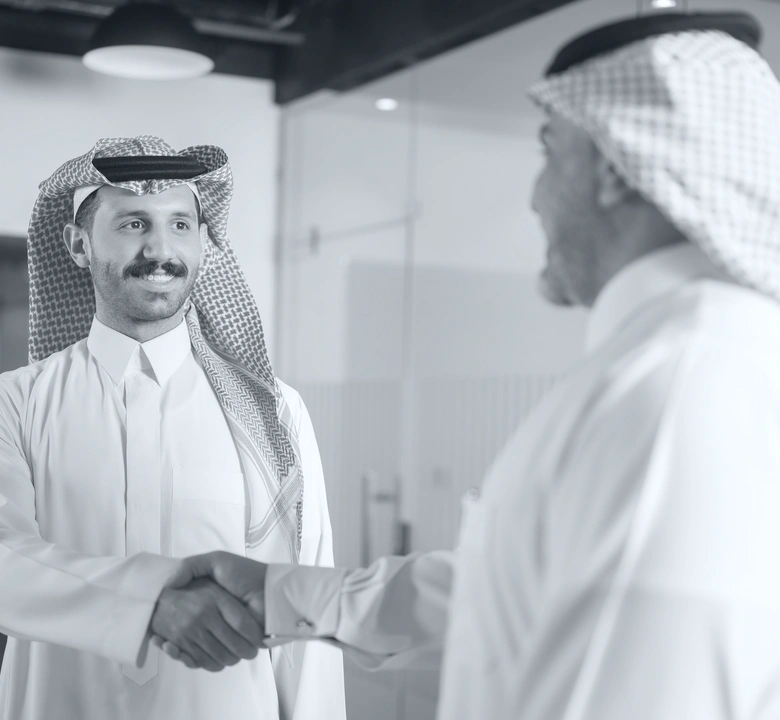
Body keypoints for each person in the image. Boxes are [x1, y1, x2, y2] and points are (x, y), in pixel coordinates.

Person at [157, 10, 780, 720]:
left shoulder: (682, 390)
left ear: (614, 170)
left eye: (551, 152)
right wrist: (282, 593)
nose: (535, 197)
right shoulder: (668, 368)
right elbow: (503, 589)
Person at [0, 136, 345, 720]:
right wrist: (148, 604)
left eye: (181, 224)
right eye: (134, 223)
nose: (161, 249)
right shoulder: (15, 402)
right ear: (78, 245)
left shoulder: (272, 411)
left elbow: (301, 600)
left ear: (206, 243)